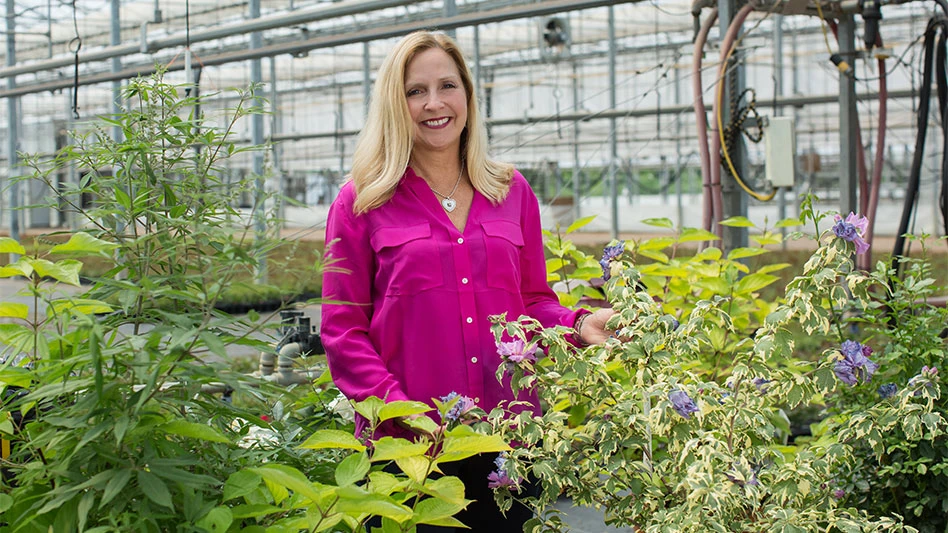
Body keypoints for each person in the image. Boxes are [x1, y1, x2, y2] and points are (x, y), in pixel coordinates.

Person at [320, 30, 614, 531]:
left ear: (468, 95)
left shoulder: (510, 190)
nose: (434, 103)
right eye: (415, 91)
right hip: (411, 455)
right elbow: (343, 330)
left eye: (447, 86)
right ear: (395, 102)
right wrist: (401, 410)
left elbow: (532, 302)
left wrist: (579, 324)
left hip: (509, 444)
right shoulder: (360, 202)